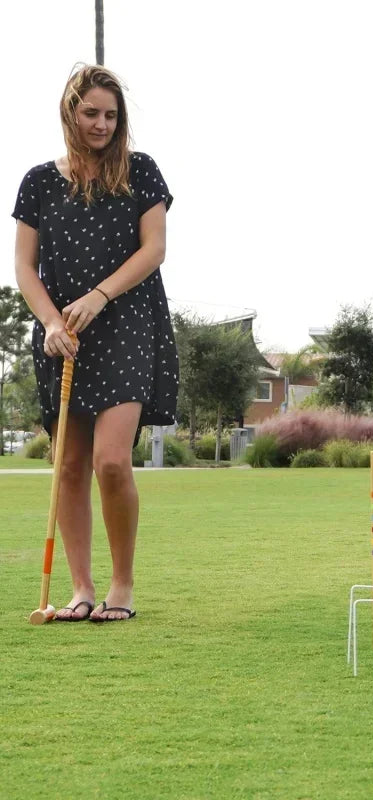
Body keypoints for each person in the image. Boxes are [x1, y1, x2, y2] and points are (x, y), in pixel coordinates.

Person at [13, 65, 179, 622]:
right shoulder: (39, 181)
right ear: (70, 113)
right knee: (68, 466)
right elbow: (24, 267)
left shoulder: (141, 173)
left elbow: (153, 250)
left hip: (126, 322)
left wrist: (100, 296)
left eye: (111, 114)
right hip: (63, 334)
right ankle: (82, 590)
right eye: (91, 114)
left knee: (112, 462)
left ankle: (122, 587)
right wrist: (52, 324)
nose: (102, 124)